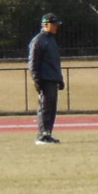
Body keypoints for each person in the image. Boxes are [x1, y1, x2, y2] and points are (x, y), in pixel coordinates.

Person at [27, 12, 64, 143]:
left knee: (51, 108)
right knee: (45, 108)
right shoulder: (39, 40)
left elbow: (55, 62)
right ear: (46, 24)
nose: (56, 27)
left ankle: (48, 133)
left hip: (53, 79)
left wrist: (60, 79)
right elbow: (33, 63)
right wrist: (37, 81)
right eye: (54, 24)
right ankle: (42, 135)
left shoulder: (51, 40)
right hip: (45, 80)